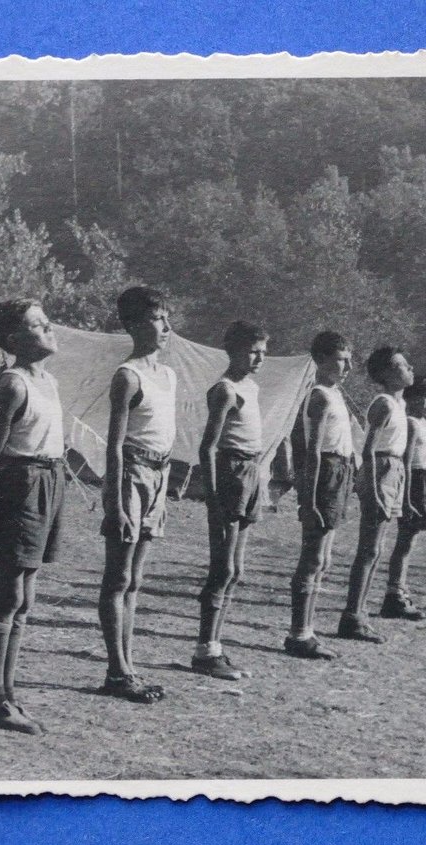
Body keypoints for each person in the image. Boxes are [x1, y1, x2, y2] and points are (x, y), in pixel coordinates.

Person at [0, 299, 65, 734]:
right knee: (8, 594)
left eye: (46, 321)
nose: (49, 328)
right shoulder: (10, 384)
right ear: (14, 340)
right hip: (19, 486)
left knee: (26, 597)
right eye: (37, 324)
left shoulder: (48, 382)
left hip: (50, 480)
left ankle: (7, 693)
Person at [96, 287, 176, 703]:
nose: (165, 327)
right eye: (155, 319)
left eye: (166, 318)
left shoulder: (168, 374)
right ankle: (116, 670)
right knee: (118, 577)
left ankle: (129, 665)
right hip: (132, 474)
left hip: (159, 475)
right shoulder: (128, 376)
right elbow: (113, 444)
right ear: (131, 326)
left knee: (137, 579)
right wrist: (114, 502)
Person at [192, 322, 268, 680]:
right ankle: (205, 649)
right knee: (221, 568)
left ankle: (216, 647)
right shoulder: (224, 390)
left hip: (251, 471)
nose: (259, 358)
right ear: (233, 351)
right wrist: (212, 496)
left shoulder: (251, 387)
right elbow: (207, 448)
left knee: (236, 570)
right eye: (253, 351)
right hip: (230, 473)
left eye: (263, 352)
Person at [284, 331, 357, 659]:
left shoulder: (335, 393)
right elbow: (311, 452)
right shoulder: (319, 396)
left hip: (340, 471)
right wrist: (309, 500)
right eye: (341, 359)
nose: (348, 366)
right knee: (312, 557)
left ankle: (308, 631)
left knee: (324, 559)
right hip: (324, 473)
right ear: (322, 360)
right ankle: (299, 633)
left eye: (349, 359)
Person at [340, 346, 416, 642]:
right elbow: (368, 450)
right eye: (401, 365)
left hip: (393, 469)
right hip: (380, 469)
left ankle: (360, 613)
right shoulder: (383, 404)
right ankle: (351, 616)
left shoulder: (401, 405)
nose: (409, 368)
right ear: (385, 374)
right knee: (369, 548)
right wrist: (371, 489)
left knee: (378, 548)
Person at [382, 376, 426, 621]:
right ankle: (394, 594)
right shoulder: (412, 423)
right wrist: (405, 500)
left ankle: (400, 588)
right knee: (405, 540)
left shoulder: (423, 424)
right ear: (413, 399)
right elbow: (405, 464)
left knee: (412, 539)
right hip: (415, 481)